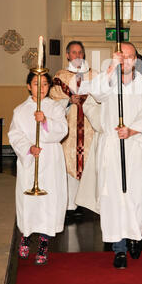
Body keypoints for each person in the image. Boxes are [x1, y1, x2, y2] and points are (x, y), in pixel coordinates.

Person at [78, 42, 142, 269]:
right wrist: (111, 68)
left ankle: (134, 236)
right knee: (113, 197)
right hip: (112, 148)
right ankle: (119, 248)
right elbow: (96, 93)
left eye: (130, 57)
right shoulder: (109, 82)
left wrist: (132, 130)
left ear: (136, 60)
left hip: (134, 146)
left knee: (133, 196)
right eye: (121, 57)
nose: (126, 61)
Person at [8, 71, 68, 265]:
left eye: (44, 85)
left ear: (49, 87)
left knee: (49, 201)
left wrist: (45, 122)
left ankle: (44, 241)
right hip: (30, 160)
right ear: (28, 86)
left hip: (50, 159)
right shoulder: (20, 110)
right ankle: (25, 236)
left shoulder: (55, 108)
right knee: (28, 201)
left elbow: (62, 131)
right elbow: (14, 134)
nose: (41, 88)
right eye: (36, 84)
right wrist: (28, 148)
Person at [49, 40, 96, 221]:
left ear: (84, 55)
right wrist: (69, 101)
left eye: (80, 52)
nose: (77, 56)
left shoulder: (94, 75)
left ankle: (88, 203)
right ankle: (69, 205)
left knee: (90, 163)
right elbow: (53, 101)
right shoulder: (61, 77)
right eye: (73, 52)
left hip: (90, 127)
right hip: (69, 128)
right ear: (68, 55)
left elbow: (102, 98)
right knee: (69, 165)